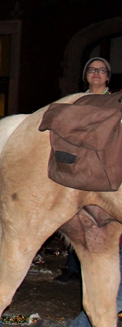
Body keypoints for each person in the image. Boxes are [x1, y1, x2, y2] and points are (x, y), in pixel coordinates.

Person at [55, 56, 113, 284]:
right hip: (81, 168)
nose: (96, 74)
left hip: (107, 170)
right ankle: (73, 266)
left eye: (101, 70)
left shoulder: (115, 103)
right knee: (76, 215)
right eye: (92, 70)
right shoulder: (77, 102)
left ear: (107, 76)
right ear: (86, 76)